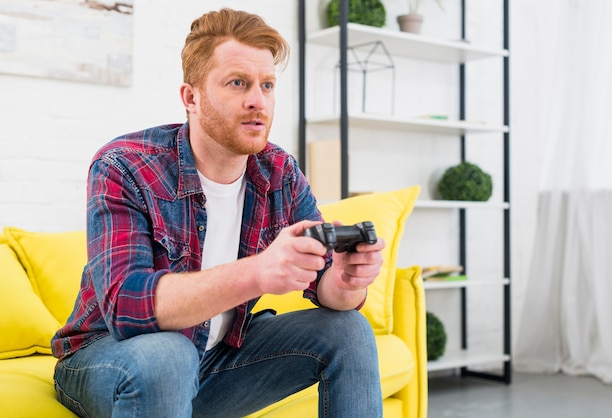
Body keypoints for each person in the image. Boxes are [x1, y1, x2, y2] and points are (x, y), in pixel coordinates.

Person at [51, 8, 386, 418]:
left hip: (215, 361)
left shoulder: (279, 173)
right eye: (238, 83)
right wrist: (258, 271)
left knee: (348, 329)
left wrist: (347, 280)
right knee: (168, 354)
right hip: (108, 359)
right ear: (191, 97)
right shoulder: (125, 166)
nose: (257, 101)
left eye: (267, 85)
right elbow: (126, 306)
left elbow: (326, 288)